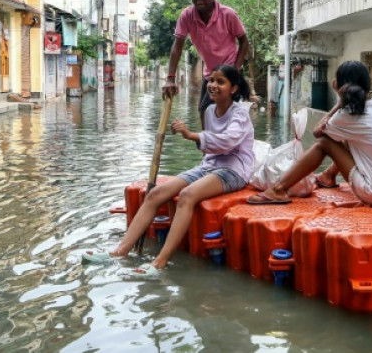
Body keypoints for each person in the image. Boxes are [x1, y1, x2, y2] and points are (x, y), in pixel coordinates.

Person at [84, 65, 255, 275]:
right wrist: (196, 139)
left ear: (234, 88)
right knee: (155, 193)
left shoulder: (241, 114)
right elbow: (212, 147)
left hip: (234, 170)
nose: (213, 85)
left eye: (221, 82)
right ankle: (119, 252)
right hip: (210, 166)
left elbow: (228, 142)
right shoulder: (210, 110)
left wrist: (191, 134)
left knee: (187, 195)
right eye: (211, 80)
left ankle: (160, 262)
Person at [247, 60, 372, 207]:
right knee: (350, 139)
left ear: (337, 84)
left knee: (325, 143)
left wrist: (339, 102)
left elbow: (318, 133)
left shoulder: (346, 116)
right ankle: (328, 176)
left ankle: (278, 189)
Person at [163, 0, 253, 126]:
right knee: (204, 111)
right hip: (210, 73)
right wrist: (170, 79)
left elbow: (244, 42)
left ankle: (221, 144)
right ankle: (207, 147)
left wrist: (236, 70)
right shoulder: (187, 16)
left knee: (222, 115)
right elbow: (177, 47)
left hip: (229, 70)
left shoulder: (228, 14)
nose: (199, 2)